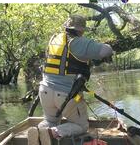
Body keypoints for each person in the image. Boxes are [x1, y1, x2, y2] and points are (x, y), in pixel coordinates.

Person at [28, 15, 113, 145]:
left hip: (44, 91)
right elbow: (106, 50)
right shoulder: (78, 42)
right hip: (66, 94)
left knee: (50, 120)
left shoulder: (54, 39)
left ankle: (39, 131)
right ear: (81, 30)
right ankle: (53, 132)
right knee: (81, 126)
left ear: (66, 27)